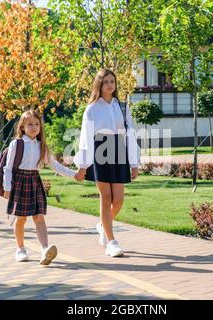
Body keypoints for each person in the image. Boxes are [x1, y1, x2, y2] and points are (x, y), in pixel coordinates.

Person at [74, 68, 140, 257]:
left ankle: (103, 225)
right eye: (106, 82)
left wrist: (134, 163)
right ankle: (111, 242)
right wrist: (83, 165)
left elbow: (130, 133)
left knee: (118, 200)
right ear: (99, 85)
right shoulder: (92, 108)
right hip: (99, 149)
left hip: (118, 149)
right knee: (106, 197)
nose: (110, 85)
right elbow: (86, 137)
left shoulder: (123, 106)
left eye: (112, 81)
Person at [4, 109, 76, 264]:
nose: (34, 127)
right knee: (21, 219)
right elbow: (8, 167)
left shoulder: (41, 146)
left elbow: (54, 165)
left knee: (39, 217)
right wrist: (7, 187)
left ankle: (45, 250)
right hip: (20, 182)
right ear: (22, 127)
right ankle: (20, 249)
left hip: (34, 181)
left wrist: (73, 174)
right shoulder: (16, 144)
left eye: (37, 124)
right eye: (30, 124)